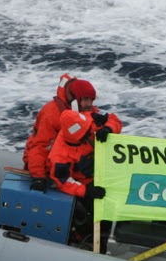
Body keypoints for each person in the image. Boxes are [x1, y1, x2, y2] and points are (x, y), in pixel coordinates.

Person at [47, 102, 123, 242]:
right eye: (83, 137)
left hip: (109, 170)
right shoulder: (59, 156)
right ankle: (96, 239)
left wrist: (108, 129)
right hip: (86, 182)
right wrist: (86, 191)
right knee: (95, 214)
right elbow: (63, 182)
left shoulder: (90, 119)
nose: (88, 136)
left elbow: (115, 120)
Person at [23, 75, 97, 189]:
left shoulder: (87, 110)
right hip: (51, 166)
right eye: (86, 99)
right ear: (75, 99)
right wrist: (39, 177)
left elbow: (109, 121)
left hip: (73, 164)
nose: (89, 104)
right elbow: (39, 147)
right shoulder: (51, 114)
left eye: (91, 100)